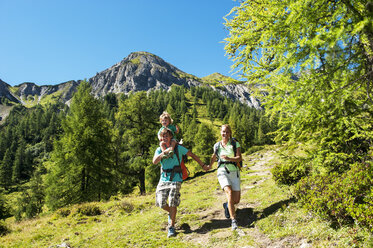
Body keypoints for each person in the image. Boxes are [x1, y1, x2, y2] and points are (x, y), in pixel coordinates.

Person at [153, 128, 207, 238]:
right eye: (163, 136)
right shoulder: (159, 149)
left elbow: (192, 155)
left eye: (167, 136)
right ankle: (172, 212)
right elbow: (154, 161)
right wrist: (163, 153)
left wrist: (203, 165)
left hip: (176, 177)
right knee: (160, 202)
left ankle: (171, 227)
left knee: (172, 201)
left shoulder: (178, 148)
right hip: (163, 179)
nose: (165, 138)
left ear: (171, 137)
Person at [208, 124, 242, 230]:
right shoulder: (217, 146)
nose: (225, 134)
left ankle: (227, 205)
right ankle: (233, 221)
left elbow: (239, 158)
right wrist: (209, 166)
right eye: (223, 131)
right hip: (222, 171)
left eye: (227, 132)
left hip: (234, 172)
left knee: (236, 200)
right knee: (229, 193)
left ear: (230, 133)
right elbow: (214, 156)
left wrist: (229, 158)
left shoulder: (235, 143)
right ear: (220, 132)